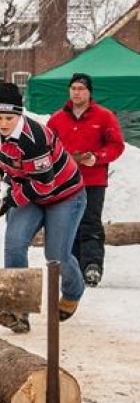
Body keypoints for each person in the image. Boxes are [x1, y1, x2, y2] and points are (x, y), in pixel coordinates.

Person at [0, 83, 86, 334]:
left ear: (19, 114)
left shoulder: (34, 138)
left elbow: (45, 185)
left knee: (55, 255)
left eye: (9, 118)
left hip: (63, 194)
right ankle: (19, 306)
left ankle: (74, 290)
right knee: (14, 242)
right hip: (29, 189)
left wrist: (10, 201)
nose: (3, 124)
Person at [46, 73, 125, 287]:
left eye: (81, 88)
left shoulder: (104, 116)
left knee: (90, 222)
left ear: (89, 92)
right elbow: (46, 149)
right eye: (73, 88)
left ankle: (92, 266)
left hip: (93, 180)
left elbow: (117, 145)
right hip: (65, 182)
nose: (76, 92)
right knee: (67, 224)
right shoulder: (56, 119)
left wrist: (97, 158)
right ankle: (72, 267)